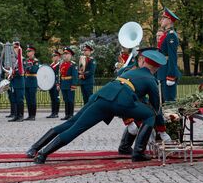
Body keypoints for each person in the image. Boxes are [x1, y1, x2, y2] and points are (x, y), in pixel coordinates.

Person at [26, 48, 167, 164]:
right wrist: (162, 129)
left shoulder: (129, 71)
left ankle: (41, 153)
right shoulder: (151, 80)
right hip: (121, 103)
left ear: (143, 61)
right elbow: (156, 108)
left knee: (74, 126)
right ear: (157, 67)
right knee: (150, 114)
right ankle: (138, 153)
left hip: (101, 97)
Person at [156, 7, 181, 102]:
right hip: (163, 72)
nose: (161, 20)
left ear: (169, 20)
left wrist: (171, 76)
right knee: (163, 103)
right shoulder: (167, 35)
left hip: (167, 73)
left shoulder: (171, 35)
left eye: (163, 18)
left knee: (169, 104)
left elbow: (172, 57)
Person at [59, 47, 78, 120]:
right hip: (64, 84)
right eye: (64, 54)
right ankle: (67, 115)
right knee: (66, 100)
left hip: (70, 84)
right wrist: (59, 84)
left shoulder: (73, 64)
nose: (65, 55)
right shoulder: (62, 64)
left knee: (70, 100)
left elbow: (75, 76)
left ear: (70, 55)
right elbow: (60, 75)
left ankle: (71, 115)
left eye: (67, 54)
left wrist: (73, 85)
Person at [8, 41, 25, 122]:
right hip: (13, 81)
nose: (15, 49)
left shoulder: (22, 60)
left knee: (20, 99)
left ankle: (20, 116)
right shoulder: (12, 61)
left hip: (19, 82)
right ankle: (16, 115)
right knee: (14, 99)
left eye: (16, 47)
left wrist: (13, 72)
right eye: (14, 48)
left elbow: (21, 71)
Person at [46, 50, 61, 118]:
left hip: (56, 84)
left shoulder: (59, 65)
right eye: (53, 56)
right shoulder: (51, 65)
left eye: (55, 56)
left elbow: (59, 75)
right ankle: (53, 112)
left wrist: (58, 84)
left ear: (58, 57)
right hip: (51, 84)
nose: (53, 57)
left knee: (56, 98)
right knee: (52, 98)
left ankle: (56, 113)